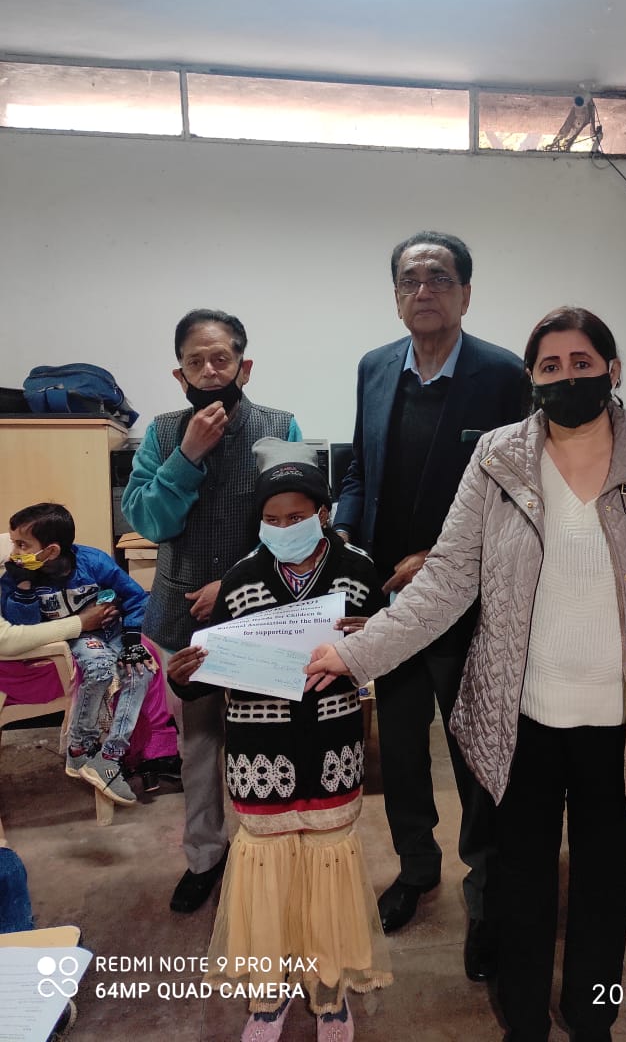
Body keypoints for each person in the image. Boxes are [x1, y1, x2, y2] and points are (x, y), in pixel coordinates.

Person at [307, 305, 626, 1042]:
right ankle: (524, 1022)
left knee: (604, 885)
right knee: (520, 883)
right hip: (520, 718)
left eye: (582, 363)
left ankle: (592, 1021)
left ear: (613, 370)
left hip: (622, 727)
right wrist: (357, 652)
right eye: (550, 366)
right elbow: (447, 579)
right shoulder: (498, 456)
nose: (567, 377)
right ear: (532, 379)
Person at [332, 231, 524, 976]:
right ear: (395, 295)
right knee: (404, 749)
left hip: (469, 603)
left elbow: (516, 493)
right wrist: (343, 537)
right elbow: (359, 465)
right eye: (410, 279)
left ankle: (488, 893)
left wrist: (438, 560)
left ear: (466, 293)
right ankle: (416, 868)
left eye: (440, 277)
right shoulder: (375, 367)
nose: (424, 290)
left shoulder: (503, 375)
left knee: (474, 751)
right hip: (389, 600)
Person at [167, 445, 391, 1042]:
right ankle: (268, 994)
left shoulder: (358, 571)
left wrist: (371, 638)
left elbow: (386, 652)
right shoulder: (241, 579)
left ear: (323, 513)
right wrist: (185, 678)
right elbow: (215, 669)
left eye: (297, 516)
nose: (284, 527)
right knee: (265, 865)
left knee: (327, 860)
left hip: (332, 744)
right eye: (272, 518)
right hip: (259, 752)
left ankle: (328, 989)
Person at [122, 308, 302, 912]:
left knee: (269, 737)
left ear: (243, 367)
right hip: (181, 621)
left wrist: (233, 584)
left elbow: (298, 520)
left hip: (261, 614)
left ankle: (267, 850)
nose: (209, 370)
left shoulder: (278, 427)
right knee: (198, 749)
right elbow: (148, 520)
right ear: (180, 375)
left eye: (220, 358)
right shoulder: (162, 434)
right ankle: (205, 856)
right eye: (195, 361)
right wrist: (188, 455)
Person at [1, 503, 152, 806]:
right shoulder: (14, 577)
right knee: (100, 667)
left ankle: (110, 756)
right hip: (77, 637)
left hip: (112, 631)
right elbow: (24, 626)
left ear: (51, 551)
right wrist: (24, 586)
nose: (13, 553)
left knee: (141, 671)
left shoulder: (93, 562)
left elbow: (135, 597)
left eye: (22, 545)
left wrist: (133, 640)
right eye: (14, 543)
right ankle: (79, 748)